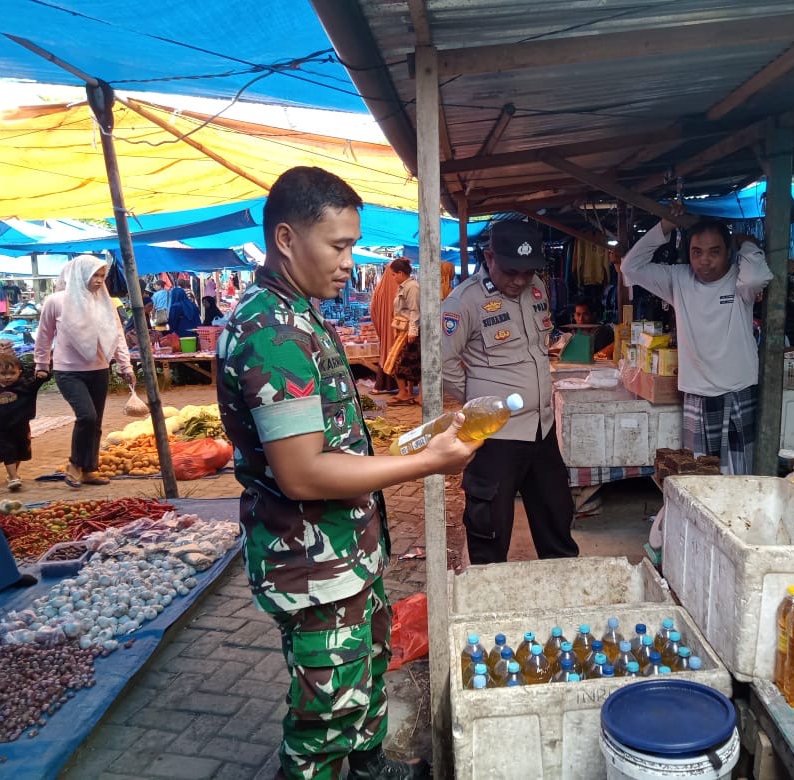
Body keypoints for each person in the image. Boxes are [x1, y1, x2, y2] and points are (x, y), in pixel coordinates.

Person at [217, 166, 478, 780]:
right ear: (286, 239)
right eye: (338, 245)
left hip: (343, 554)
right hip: (312, 564)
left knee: (360, 681)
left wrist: (420, 436)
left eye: (353, 245)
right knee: (324, 719)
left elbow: (333, 438)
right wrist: (427, 463)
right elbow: (303, 473)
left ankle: (368, 767)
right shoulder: (272, 331)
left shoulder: (299, 315)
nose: (349, 260)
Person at [441, 220, 580, 564]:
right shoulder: (464, 302)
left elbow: (539, 347)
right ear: (489, 257)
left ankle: (566, 595)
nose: (519, 280)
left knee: (557, 518)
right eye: (511, 271)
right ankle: (490, 608)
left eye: (528, 271)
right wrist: (479, 406)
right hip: (495, 437)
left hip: (542, 430)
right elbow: (441, 363)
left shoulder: (537, 289)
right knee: (489, 529)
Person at [621, 206, 773, 474]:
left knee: (739, 474)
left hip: (738, 390)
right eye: (696, 252)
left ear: (728, 253)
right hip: (697, 394)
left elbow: (758, 275)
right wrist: (664, 226)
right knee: (699, 475)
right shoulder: (678, 279)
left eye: (714, 252)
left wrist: (747, 245)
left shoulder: (741, 281)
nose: (704, 261)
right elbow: (630, 267)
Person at [34, 256, 134, 488]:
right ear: (80, 275)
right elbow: (44, 335)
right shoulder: (56, 301)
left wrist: (125, 364)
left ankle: (89, 469)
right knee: (86, 416)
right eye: (94, 276)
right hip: (68, 371)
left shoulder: (104, 302)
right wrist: (41, 364)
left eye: (102, 276)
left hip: (99, 369)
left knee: (96, 422)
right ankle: (75, 464)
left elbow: (116, 334)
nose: (99, 281)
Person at [0, 353, 48, 491]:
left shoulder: (25, 386)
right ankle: (13, 477)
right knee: (8, 451)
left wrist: (43, 374)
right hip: (2, 428)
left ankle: (12, 475)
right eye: (3, 373)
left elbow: (38, 380)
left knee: (20, 451)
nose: (8, 377)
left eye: (12, 373)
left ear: (19, 372)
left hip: (21, 425)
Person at [386, 259, 421, 406]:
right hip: (403, 330)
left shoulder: (412, 287)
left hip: (410, 331)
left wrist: (413, 331)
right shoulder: (403, 287)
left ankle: (416, 394)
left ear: (400, 273)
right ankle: (404, 392)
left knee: (409, 363)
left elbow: (415, 310)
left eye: (394, 275)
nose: (393, 278)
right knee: (402, 362)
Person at [369, 264, 401, 395]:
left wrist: (381, 327)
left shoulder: (380, 289)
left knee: (388, 353)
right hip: (399, 330)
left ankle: (382, 385)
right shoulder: (402, 287)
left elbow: (372, 309)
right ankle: (404, 390)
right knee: (399, 355)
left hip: (386, 329)